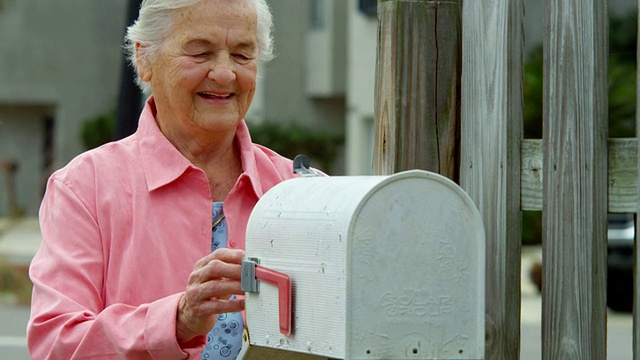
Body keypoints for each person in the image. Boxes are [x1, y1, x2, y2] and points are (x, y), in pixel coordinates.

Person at [27, 0, 301, 358]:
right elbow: (55, 344)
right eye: (200, 52)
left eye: (242, 55)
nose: (224, 73)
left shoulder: (301, 194)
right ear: (144, 60)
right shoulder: (86, 187)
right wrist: (177, 321)